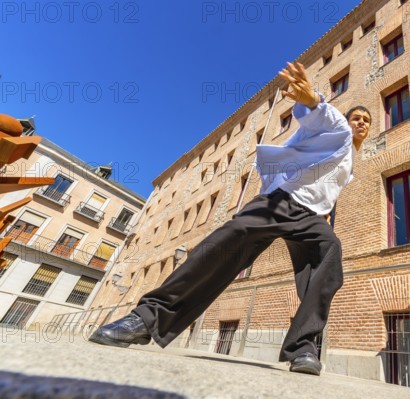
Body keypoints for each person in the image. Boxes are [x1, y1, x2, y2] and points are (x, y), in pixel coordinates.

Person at [90, 62, 372, 376]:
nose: (361, 123)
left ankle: (305, 349)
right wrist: (312, 100)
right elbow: (326, 117)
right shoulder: (340, 133)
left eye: (367, 121)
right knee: (226, 240)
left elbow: (327, 188)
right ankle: (146, 319)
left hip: (311, 217)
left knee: (329, 252)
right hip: (281, 202)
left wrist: (326, 211)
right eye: (357, 117)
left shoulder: (349, 164)